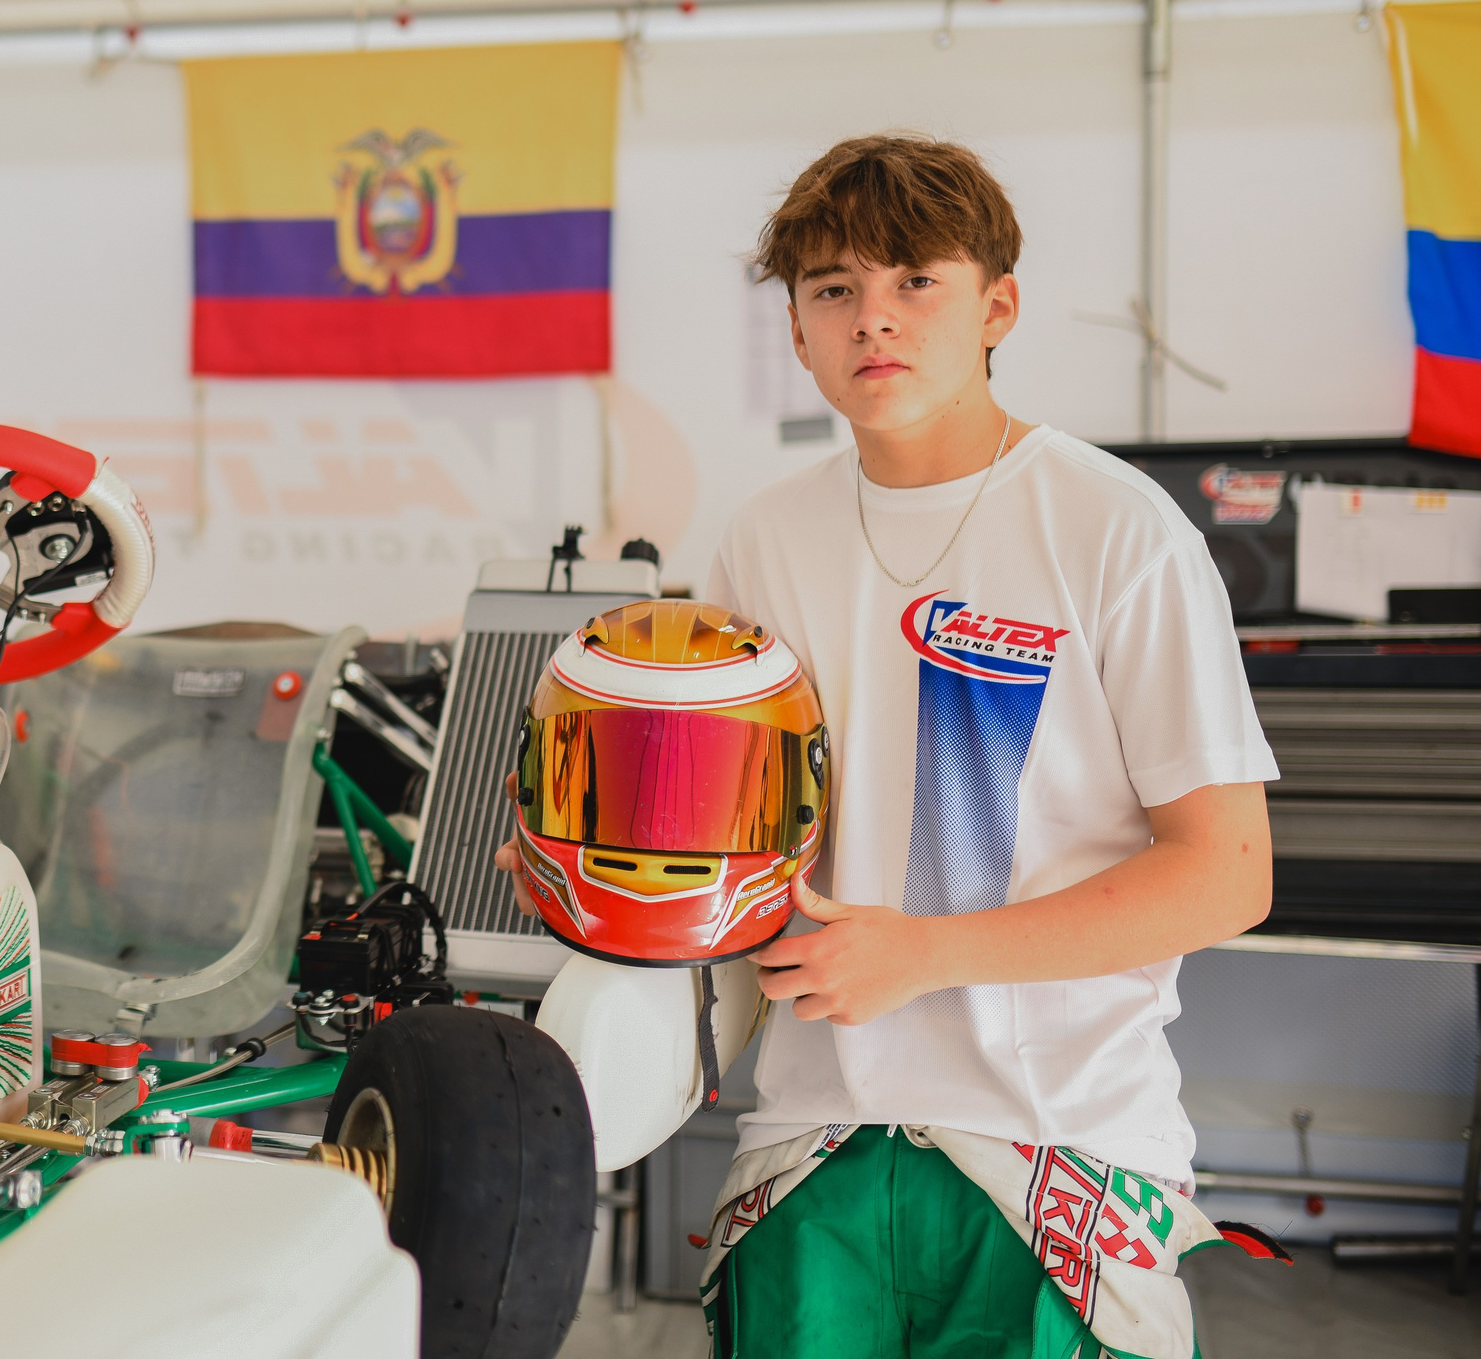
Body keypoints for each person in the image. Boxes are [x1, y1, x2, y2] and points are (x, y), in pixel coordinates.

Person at [498, 133, 1278, 1358]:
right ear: (799, 333)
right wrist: (595, 875)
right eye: (833, 291)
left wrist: (927, 954)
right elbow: (740, 840)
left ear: (995, 308)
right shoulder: (765, 539)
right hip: (811, 1145)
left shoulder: (1118, 530)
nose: (875, 319)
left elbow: (1228, 873)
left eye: (916, 281)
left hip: (1053, 1152)